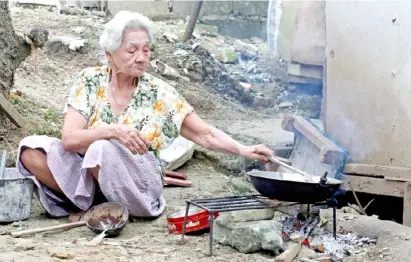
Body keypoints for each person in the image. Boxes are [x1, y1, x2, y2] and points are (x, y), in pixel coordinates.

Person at [17, 11, 274, 222]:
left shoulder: (159, 92)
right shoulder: (89, 80)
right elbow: (70, 140)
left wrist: (245, 150)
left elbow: (204, 134)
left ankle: (113, 209)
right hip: (90, 175)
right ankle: (97, 207)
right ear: (110, 54)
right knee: (30, 149)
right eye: (132, 51)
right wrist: (112, 130)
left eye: (146, 50)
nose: (141, 58)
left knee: (102, 149)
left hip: (136, 182)